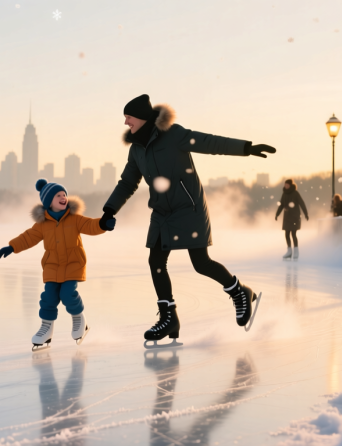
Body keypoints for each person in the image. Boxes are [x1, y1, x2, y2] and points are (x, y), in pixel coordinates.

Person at [101, 94, 276, 345]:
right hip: (161, 213)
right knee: (156, 261)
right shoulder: (137, 149)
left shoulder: (173, 134)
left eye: (129, 117)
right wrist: (110, 210)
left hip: (188, 207)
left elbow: (209, 143)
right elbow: (128, 182)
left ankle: (239, 292)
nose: (126, 122)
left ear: (142, 117)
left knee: (201, 263)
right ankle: (169, 317)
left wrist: (246, 148)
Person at [0, 179, 115, 351]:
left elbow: (90, 225)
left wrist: (103, 224)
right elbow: (28, 237)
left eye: (64, 194)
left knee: (68, 294)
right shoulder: (42, 224)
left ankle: (79, 319)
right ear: (48, 202)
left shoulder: (75, 219)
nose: (63, 197)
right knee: (48, 297)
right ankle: (46, 328)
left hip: (73, 264)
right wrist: (12, 246)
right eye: (58, 195)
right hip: (52, 266)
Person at [275, 179, 309, 260]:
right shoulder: (284, 193)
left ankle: (296, 251)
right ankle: (289, 251)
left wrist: (306, 214)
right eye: (285, 184)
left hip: (294, 216)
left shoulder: (295, 193)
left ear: (290, 185)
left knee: (293, 234)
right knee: (287, 234)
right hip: (287, 217)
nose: (286, 186)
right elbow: (281, 205)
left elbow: (301, 203)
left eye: (287, 185)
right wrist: (277, 214)